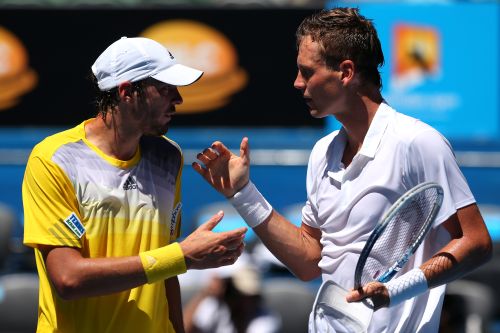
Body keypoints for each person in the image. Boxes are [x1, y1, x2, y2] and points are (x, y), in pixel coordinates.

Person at [192, 7, 492, 333]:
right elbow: (309, 262)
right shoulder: (322, 152)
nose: (296, 83)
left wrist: (397, 290)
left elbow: (476, 242)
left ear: (346, 72)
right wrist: (242, 194)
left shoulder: (418, 143)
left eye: (307, 72)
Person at [22, 36, 247, 333]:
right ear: (127, 92)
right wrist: (181, 256)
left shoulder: (169, 156)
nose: (178, 100)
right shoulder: (53, 160)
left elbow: (167, 273)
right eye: (166, 90)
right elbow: (68, 278)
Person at [183, 256, 281, 333]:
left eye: (251, 297)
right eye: (241, 295)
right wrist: (204, 293)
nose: (247, 302)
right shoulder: (214, 307)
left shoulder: (265, 319)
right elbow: (184, 330)